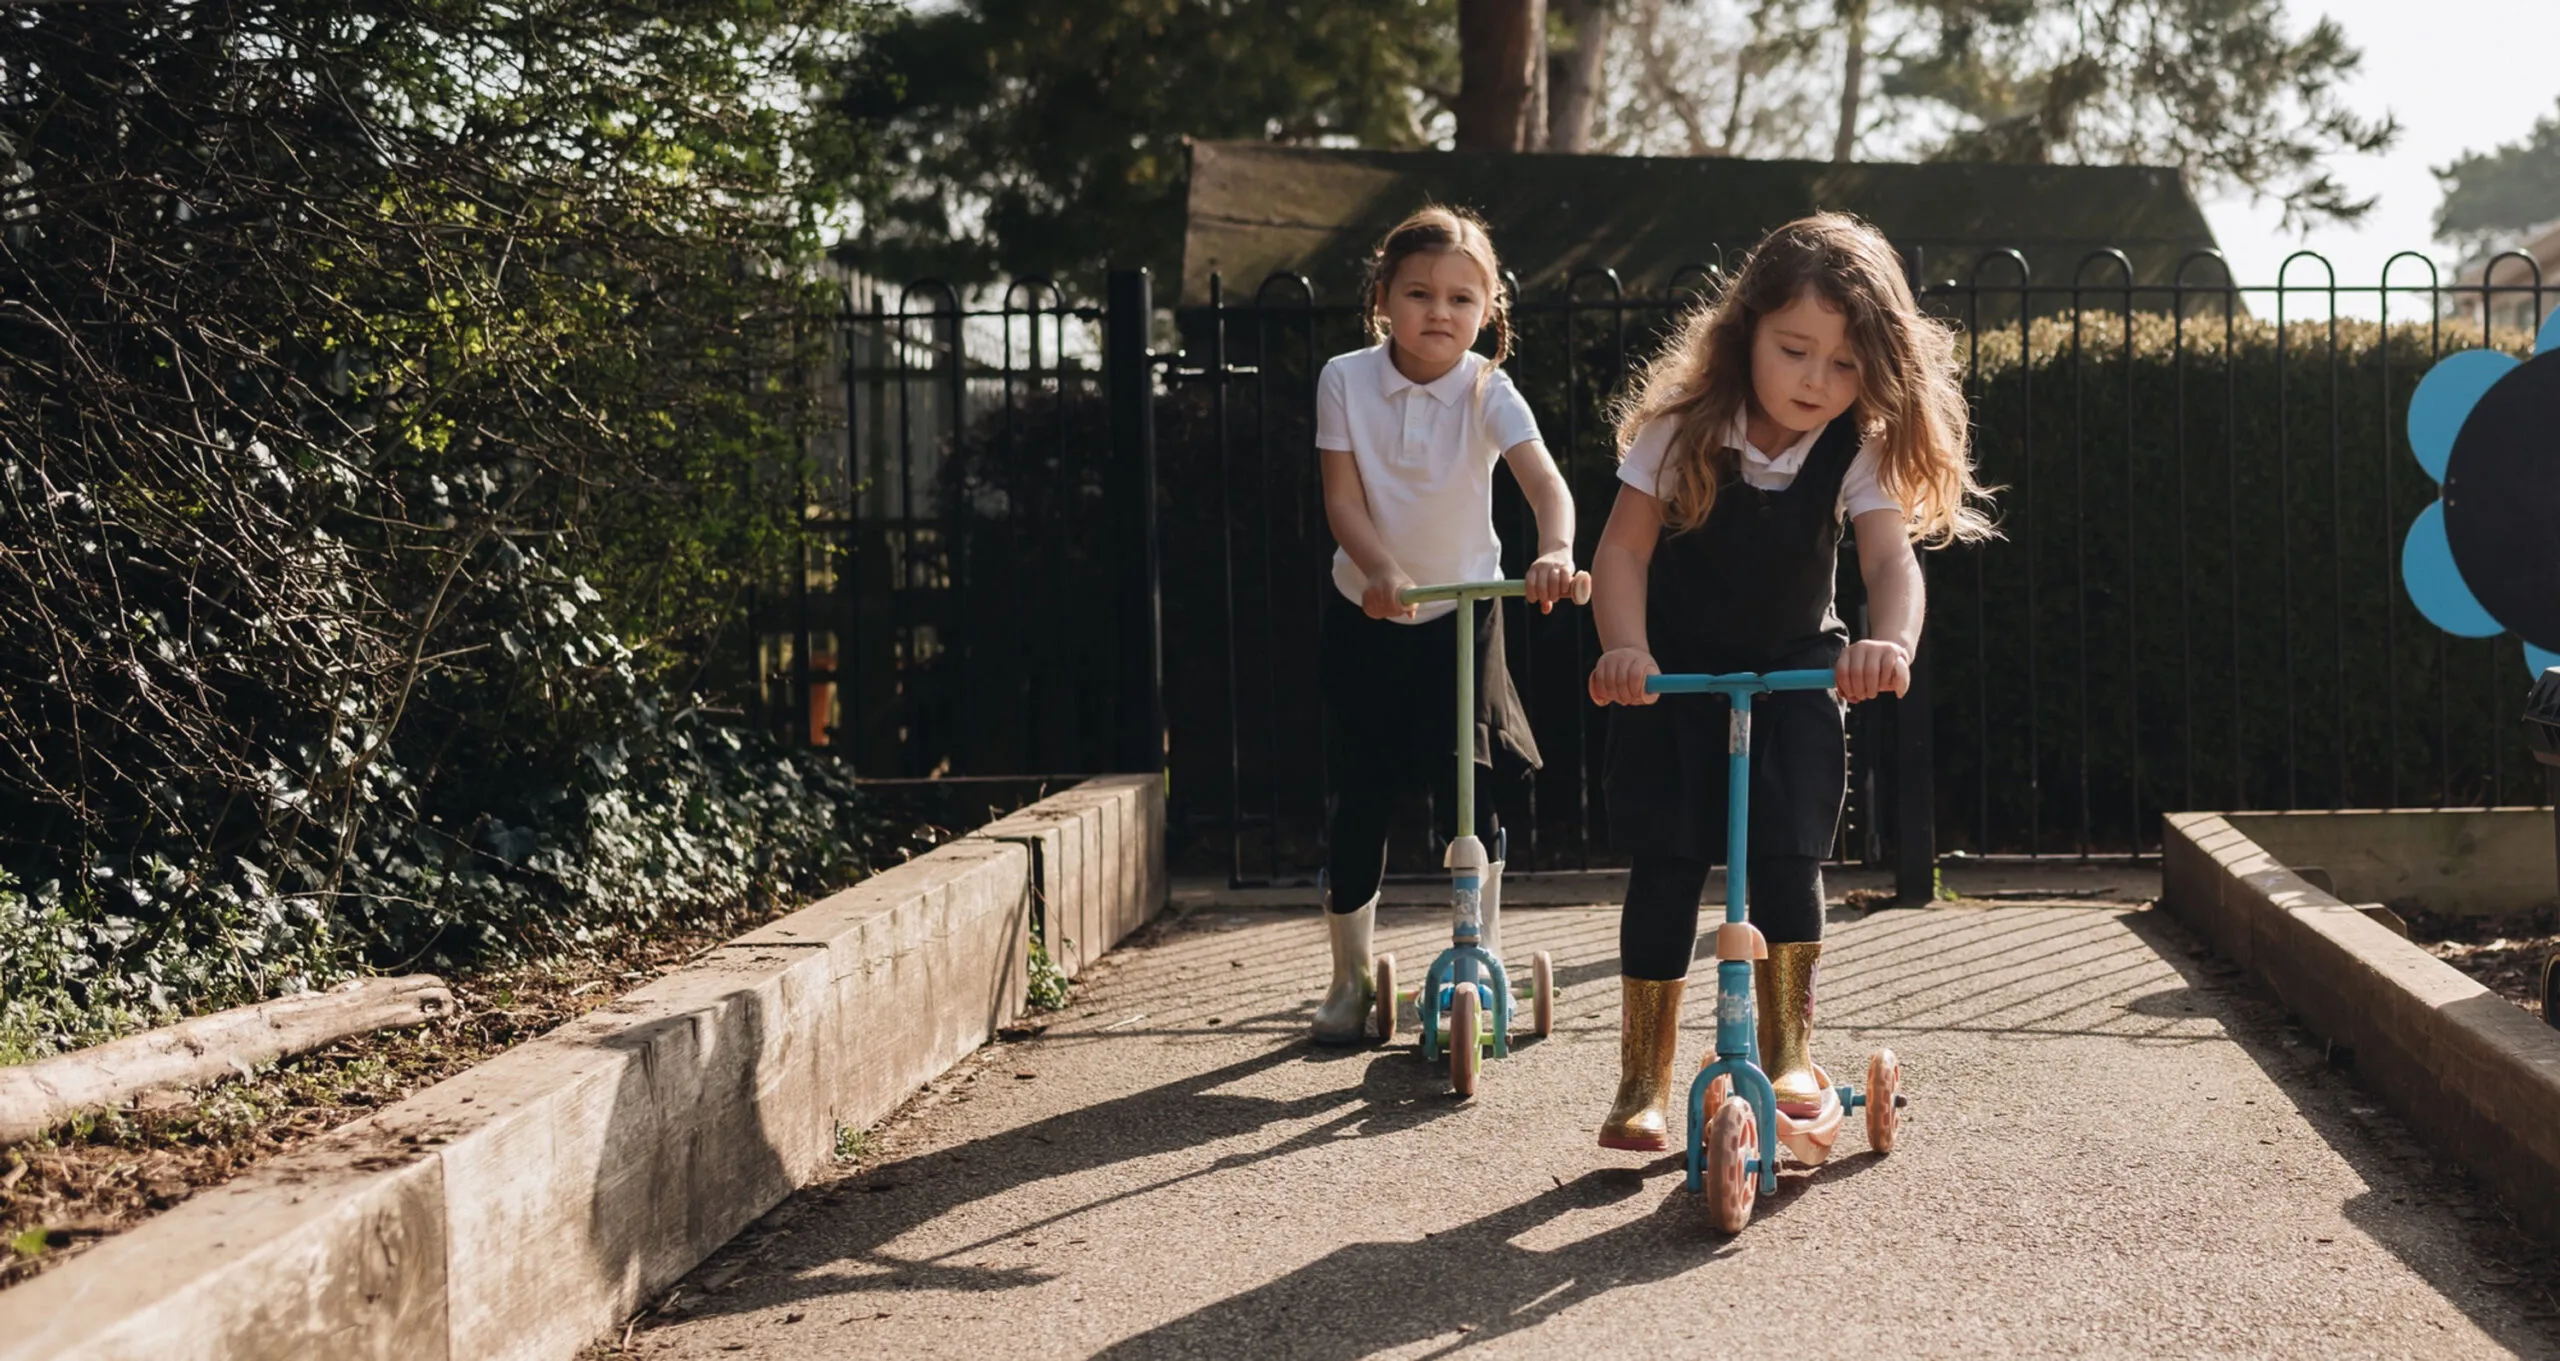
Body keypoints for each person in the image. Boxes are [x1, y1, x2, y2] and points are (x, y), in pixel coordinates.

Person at [1584, 213, 1996, 1148]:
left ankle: (1788, 1054)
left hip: (1796, 669)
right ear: (1746, 335)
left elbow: (1893, 565)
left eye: (1845, 364)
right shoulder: (1680, 431)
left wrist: (1886, 642)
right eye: (1796, 350)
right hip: (1675, 674)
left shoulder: (1855, 447)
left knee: (1787, 857)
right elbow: (1621, 552)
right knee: (1667, 863)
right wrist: (1625, 648)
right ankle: (1641, 1078)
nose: (1817, 380)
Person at [1309, 205, 1586, 1044]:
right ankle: (1350, 978)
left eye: (1462, 299)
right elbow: (1343, 499)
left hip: (1464, 615)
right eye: (1420, 292)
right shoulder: (1345, 380)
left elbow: (1546, 485)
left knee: (1469, 783)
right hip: (1369, 609)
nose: (1441, 311)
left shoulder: (1487, 388)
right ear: (1383, 297)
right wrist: (1384, 572)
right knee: (1361, 793)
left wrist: (1556, 548)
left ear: (1489, 309)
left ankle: (1482, 944)